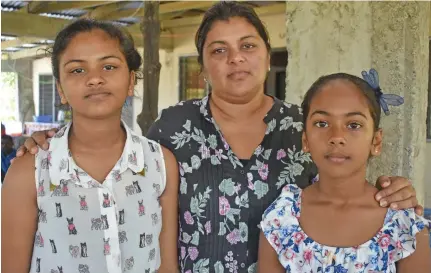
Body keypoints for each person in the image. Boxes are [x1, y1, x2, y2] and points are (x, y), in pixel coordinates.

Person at [15, 2, 422, 272]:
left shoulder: (306, 126)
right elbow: (116, 156)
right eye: (219, 50)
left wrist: (392, 190)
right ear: (204, 65)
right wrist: (51, 139)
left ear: (268, 53)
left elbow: (347, 183)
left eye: (247, 46)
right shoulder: (174, 126)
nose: (236, 58)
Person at [1, 19, 179, 273]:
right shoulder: (29, 171)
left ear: (131, 81)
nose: (95, 79)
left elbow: (166, 266)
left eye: (108, 66)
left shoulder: (161, 164)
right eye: (77, 70)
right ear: (60, 90)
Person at [258, 72, 431, 272]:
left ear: (376, 141)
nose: (337, 137)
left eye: (353, 125)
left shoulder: (402, 224)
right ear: (305, 140)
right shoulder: (281, 218)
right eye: (322, 123)